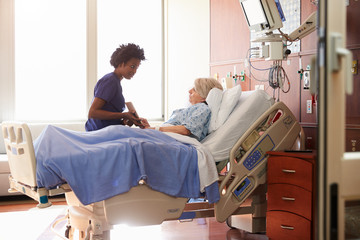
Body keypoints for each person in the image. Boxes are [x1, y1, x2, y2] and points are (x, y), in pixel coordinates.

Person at [85, 43, 147, 131]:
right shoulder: (110, 81)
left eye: (136, 68)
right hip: (100, 134)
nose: (134, 71)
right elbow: (93, 113)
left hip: (107, 131)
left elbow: (108, 119)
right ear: (121, 63)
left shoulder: (115, 81)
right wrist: (124, 115)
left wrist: (124, 122)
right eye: (132, 66)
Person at [144, 78, 223, 141]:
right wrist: (149, 127)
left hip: (173, 140)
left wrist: (155, 129)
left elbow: (186, 130)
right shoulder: (191, 109)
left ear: (203, 97)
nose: (189, 91)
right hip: (166, 136)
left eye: (194, 90)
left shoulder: (202, 108)